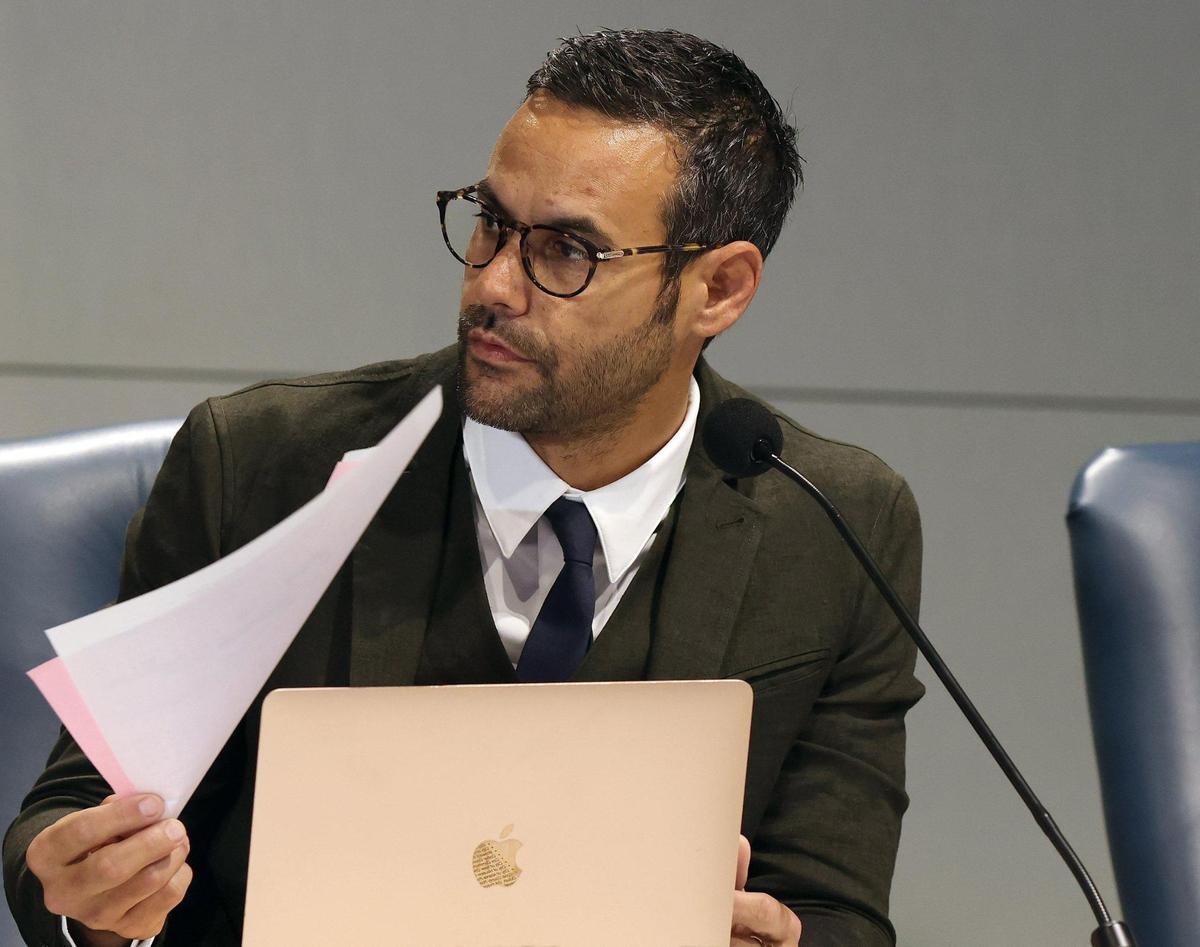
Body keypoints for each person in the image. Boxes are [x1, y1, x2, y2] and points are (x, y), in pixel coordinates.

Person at [3, 28, 923, 947]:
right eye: (491, 221)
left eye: (566, 251)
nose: (491, 283)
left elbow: (839, 913)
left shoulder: (833, 523)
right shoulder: (259, 466)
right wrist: (98, 905)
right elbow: (70, 819)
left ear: (717, 288)